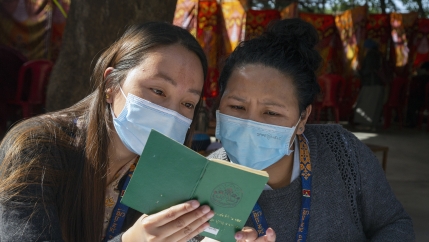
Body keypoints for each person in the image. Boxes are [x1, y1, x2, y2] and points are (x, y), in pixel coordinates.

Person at [0, 22, 215, 242]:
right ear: (111, 85)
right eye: (158, 91)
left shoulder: (167, 176)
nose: (171, 113)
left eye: (188, 104)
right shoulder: (36, 148)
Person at [208, 18, 415, 241]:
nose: (250, 124)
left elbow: (393, 223)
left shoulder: (343, 153)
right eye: (237, 107)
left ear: (303, 118)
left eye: (272, 112)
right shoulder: (204, 180)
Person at [353, 39, 387, 129]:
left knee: (367, 105)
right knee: (375, 106)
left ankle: (366, 125)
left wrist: (359, 72)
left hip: (371, 84)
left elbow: (368, 70)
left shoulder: (371, 55)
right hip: (378, 83)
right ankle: (372, 125)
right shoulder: (378, 54)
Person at [406, 61, 429, 127]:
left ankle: (412, 122)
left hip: (422, 100)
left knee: (411, 103)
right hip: (423, 99)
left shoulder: (421, 78)